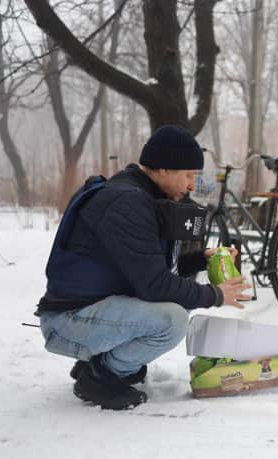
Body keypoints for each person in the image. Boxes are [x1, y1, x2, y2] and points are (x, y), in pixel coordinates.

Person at [36, 125, 251, 410]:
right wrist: (215, 295)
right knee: (172, 319)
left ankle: (102, 362)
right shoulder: (126, 202)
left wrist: (202, 258)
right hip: (68, 320)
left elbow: (146, 268)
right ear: (163, 169)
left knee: (176, 303)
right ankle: (101, 376)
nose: (191, 185)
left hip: (89, 311)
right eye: (189, 176)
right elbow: (154, 284)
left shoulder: (142, 197)